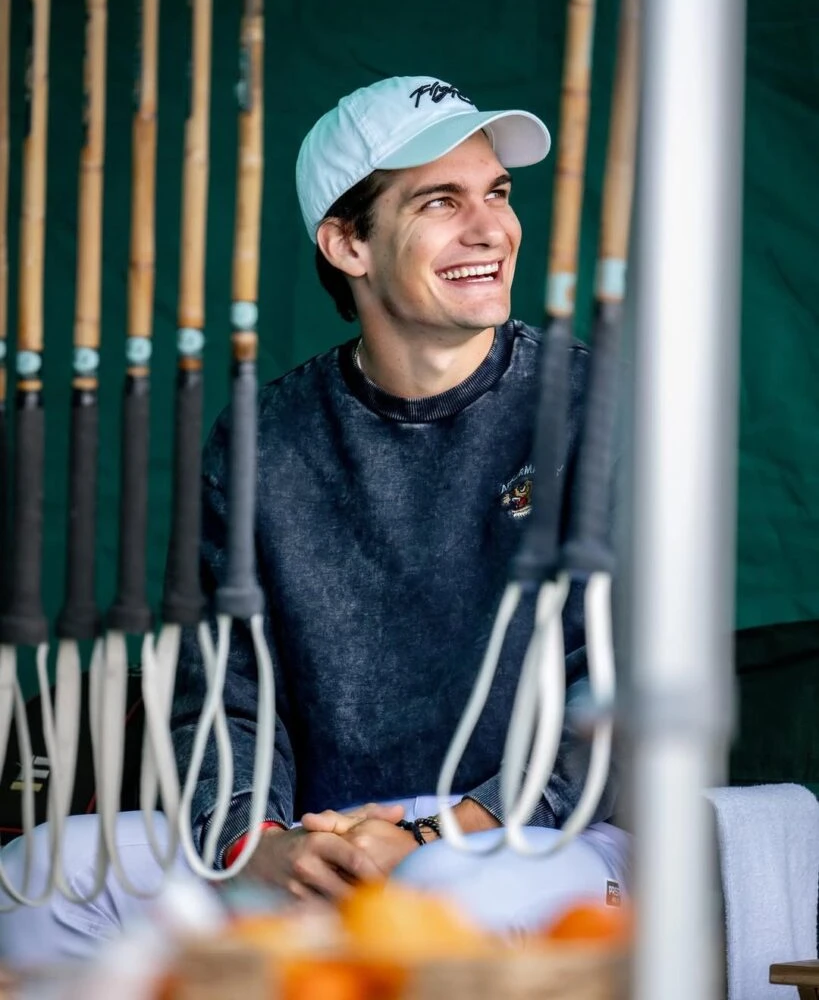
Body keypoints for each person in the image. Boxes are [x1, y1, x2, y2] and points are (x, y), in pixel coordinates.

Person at [0, 75, 628, 965]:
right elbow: (219, 689)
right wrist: (260, 844)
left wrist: (440, 833)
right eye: (441, 202)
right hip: (319, 837)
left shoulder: (601, 402)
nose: (490, 228)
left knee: (436, 901)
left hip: (543, 837)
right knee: (45, 874)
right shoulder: (264, 438)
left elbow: (619, 688)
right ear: (346, 244)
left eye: (495, 193)